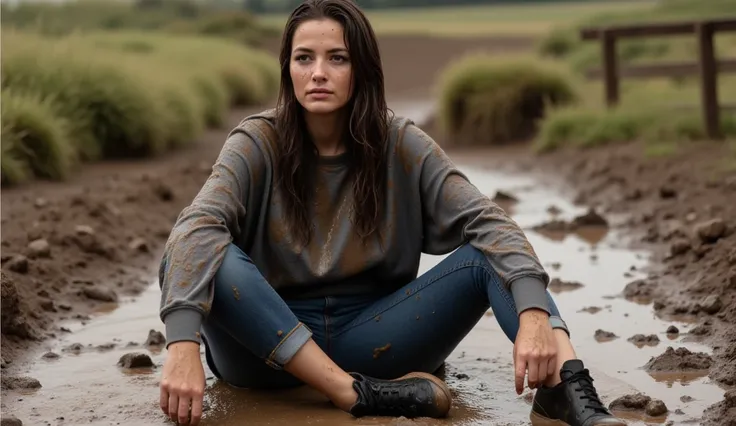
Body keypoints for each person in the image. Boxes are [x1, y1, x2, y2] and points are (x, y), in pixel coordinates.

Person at [157, 0, 627, 425]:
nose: (318, 72)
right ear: (289, 70)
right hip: (262, 354)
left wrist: (535, 319)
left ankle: (567, 390)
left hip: (376, 341)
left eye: (336, 58)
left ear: (361, 69)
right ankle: (348, 392)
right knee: (208, 250)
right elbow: (195, 229)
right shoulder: (256, 142)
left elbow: (490, 223)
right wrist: (182, 345)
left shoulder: (400, 142)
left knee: (491, 255)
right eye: (304, 58)